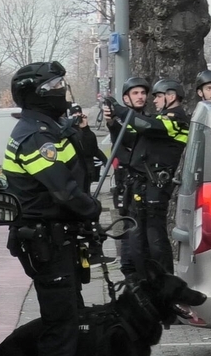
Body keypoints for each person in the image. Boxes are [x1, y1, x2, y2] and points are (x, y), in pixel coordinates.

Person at [3, 61, 102, 356]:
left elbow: (79, 167)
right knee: (61, 331)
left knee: (69, 325)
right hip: (47, 241)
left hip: (57, 239)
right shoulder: (33, 136)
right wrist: (92, 210)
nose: (63, 90)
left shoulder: (48, 130)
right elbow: (64, 191)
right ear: (39, 92)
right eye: (56, 85)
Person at [108, 77, 189, 276]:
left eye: (158, 96)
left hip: (156, 189)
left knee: (156, 241)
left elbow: (146, 126)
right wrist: (112, 123)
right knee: (139, 242)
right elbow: (131, 137)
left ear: (171, 96)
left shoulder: (176, 120)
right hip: (142, 187)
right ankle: (144, 284)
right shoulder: (161, 119)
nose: (153, 100)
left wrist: (119, 109)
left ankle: (165, 285)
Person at [102, 76, 149, 212]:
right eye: (135, 93)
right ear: (126, 98)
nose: (140, 97)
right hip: (126, 179)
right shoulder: (119, 121)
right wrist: (110, 121)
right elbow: (122, 134)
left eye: (143, 93)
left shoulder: (151, 120)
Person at [67, 103, 107, 192]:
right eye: (75, 114)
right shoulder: (68, 131)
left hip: (87, 169)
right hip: (74, 169)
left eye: (79, 113)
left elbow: (93, 149)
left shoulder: (86, 131)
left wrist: (85, 128)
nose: (77, 116)